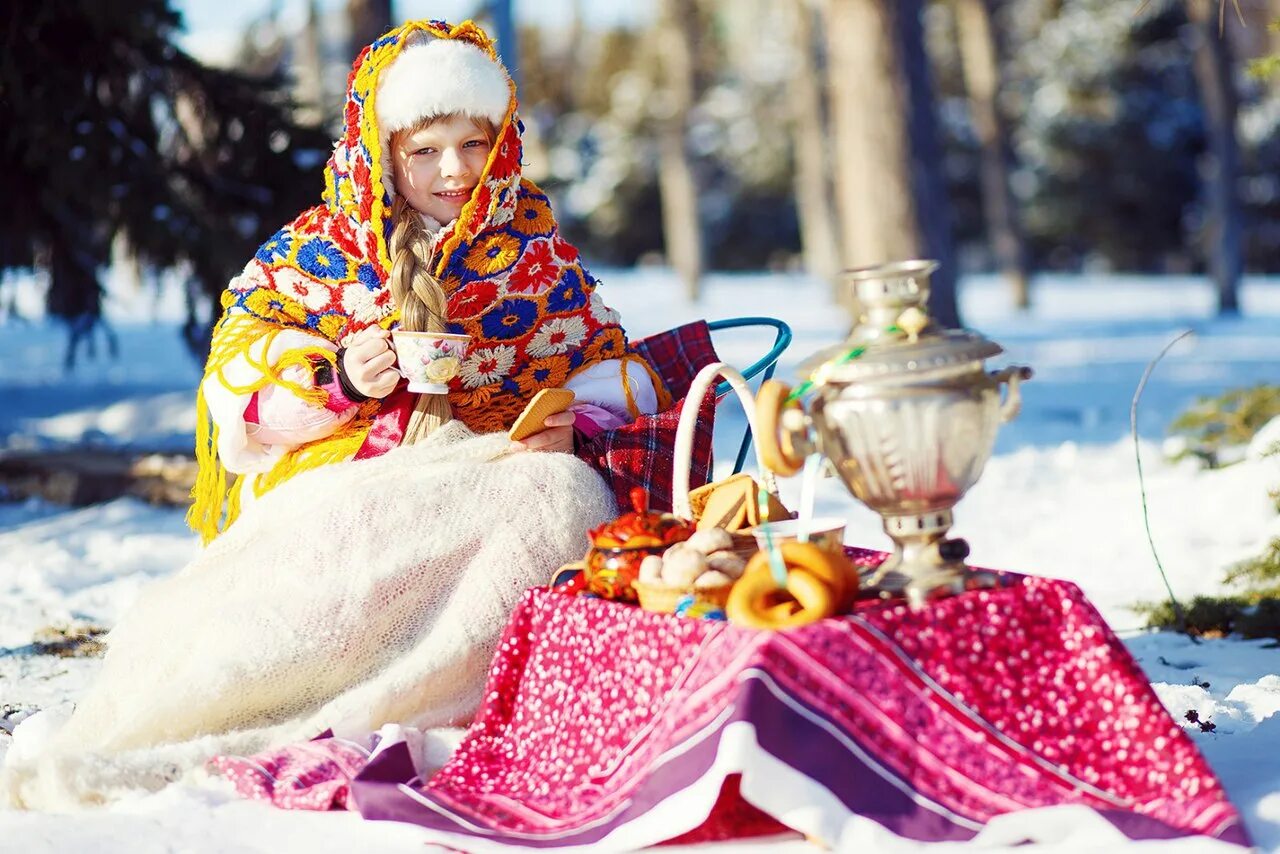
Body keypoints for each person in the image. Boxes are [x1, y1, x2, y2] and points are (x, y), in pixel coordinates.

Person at [1, 19, 668, 810]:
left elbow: (616, 372)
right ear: (381, 150)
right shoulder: (318, 251)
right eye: (424, 150)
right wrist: (340, 382)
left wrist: (570, 425)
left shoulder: (534, 251)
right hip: (344, 498)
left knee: (560, 497)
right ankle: (250, 699)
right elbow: (237, 398)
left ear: (504, 142)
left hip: (480, 500)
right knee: (297, 615)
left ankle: (416, 690)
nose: (453, 171)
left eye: (473, 143)